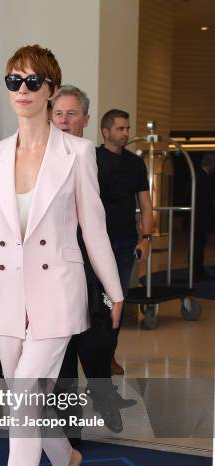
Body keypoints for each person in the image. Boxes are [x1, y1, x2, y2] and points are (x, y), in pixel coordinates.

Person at [0, 44, 123, 466]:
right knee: (30, 404)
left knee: (22, 405)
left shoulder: (77, 155)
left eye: (34, 82)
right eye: (14, 81)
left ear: (52, 91)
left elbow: (93, 229)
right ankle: (69, 460)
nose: (23, 91)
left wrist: (115, 289)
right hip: (8, 301)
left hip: (58, 297)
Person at [51, 86, 135, 433]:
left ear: (86, 119)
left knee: (96, 341)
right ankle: (71, 435)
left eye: (73, 114)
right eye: (58, 113)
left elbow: (96, 223)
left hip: (92, 263)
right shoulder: (34, 157)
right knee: (63, 356)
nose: (65, 120)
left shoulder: (87, 155)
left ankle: (103, 398)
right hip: (53, 272)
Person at [97, 109, 154, 375]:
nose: (126, 133)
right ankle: (91, 357)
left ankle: (109, 355)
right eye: (120, 128)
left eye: (127, 128)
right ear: (105, 132)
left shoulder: (135, 163)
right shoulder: (92, 159)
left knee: (117, 300)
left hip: (125, 243)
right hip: (95, 244)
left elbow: (145, 203)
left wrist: (146, 238)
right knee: (95, 302)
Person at [193, 153, 215, 281]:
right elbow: (203, 200)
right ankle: (197, 271)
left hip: (200, 218)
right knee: (198, 245)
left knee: (199, 245)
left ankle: (198, 270)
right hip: (199, 219)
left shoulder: (200, 176)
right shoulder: (202, 177)